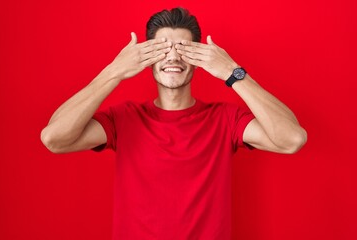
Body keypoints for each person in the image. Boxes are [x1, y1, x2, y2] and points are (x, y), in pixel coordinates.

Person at [41, 7, 307, 240]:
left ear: (197, 58)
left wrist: (232, 72)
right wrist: (114, 71)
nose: (173, 57)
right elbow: (54, 138)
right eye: (162, 49)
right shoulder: (124, 119)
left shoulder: (225, 119)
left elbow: (292, 139)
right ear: (148, 57)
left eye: (183, 49)